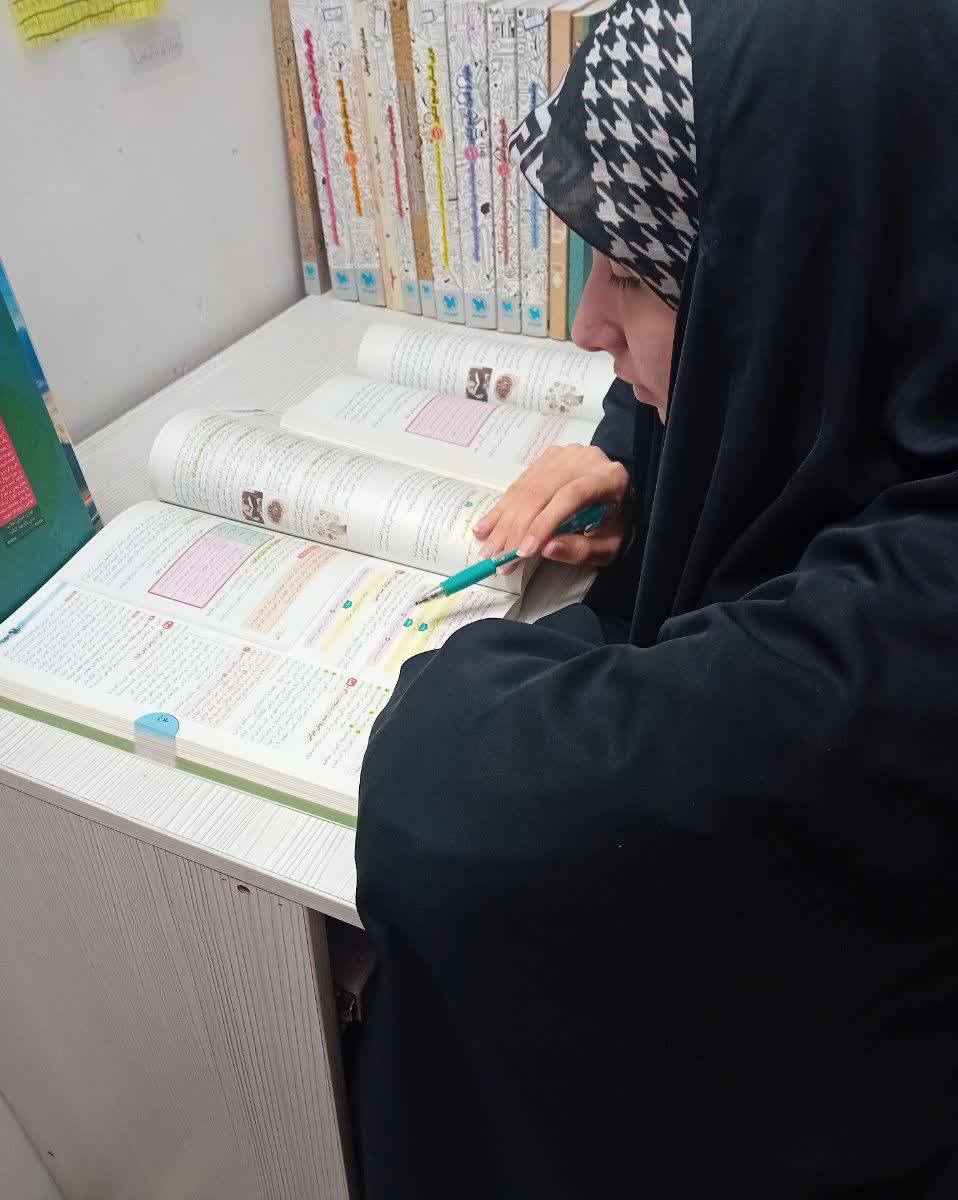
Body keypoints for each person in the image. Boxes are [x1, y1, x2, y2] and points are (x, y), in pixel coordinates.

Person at [351, 0, 958, 1195]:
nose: (587, 327)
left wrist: (471, 675)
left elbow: (458, 807)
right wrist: (637, 459)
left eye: (636, 274)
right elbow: (767, 362)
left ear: (803, 272)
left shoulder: (917, 622)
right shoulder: (899, 308)